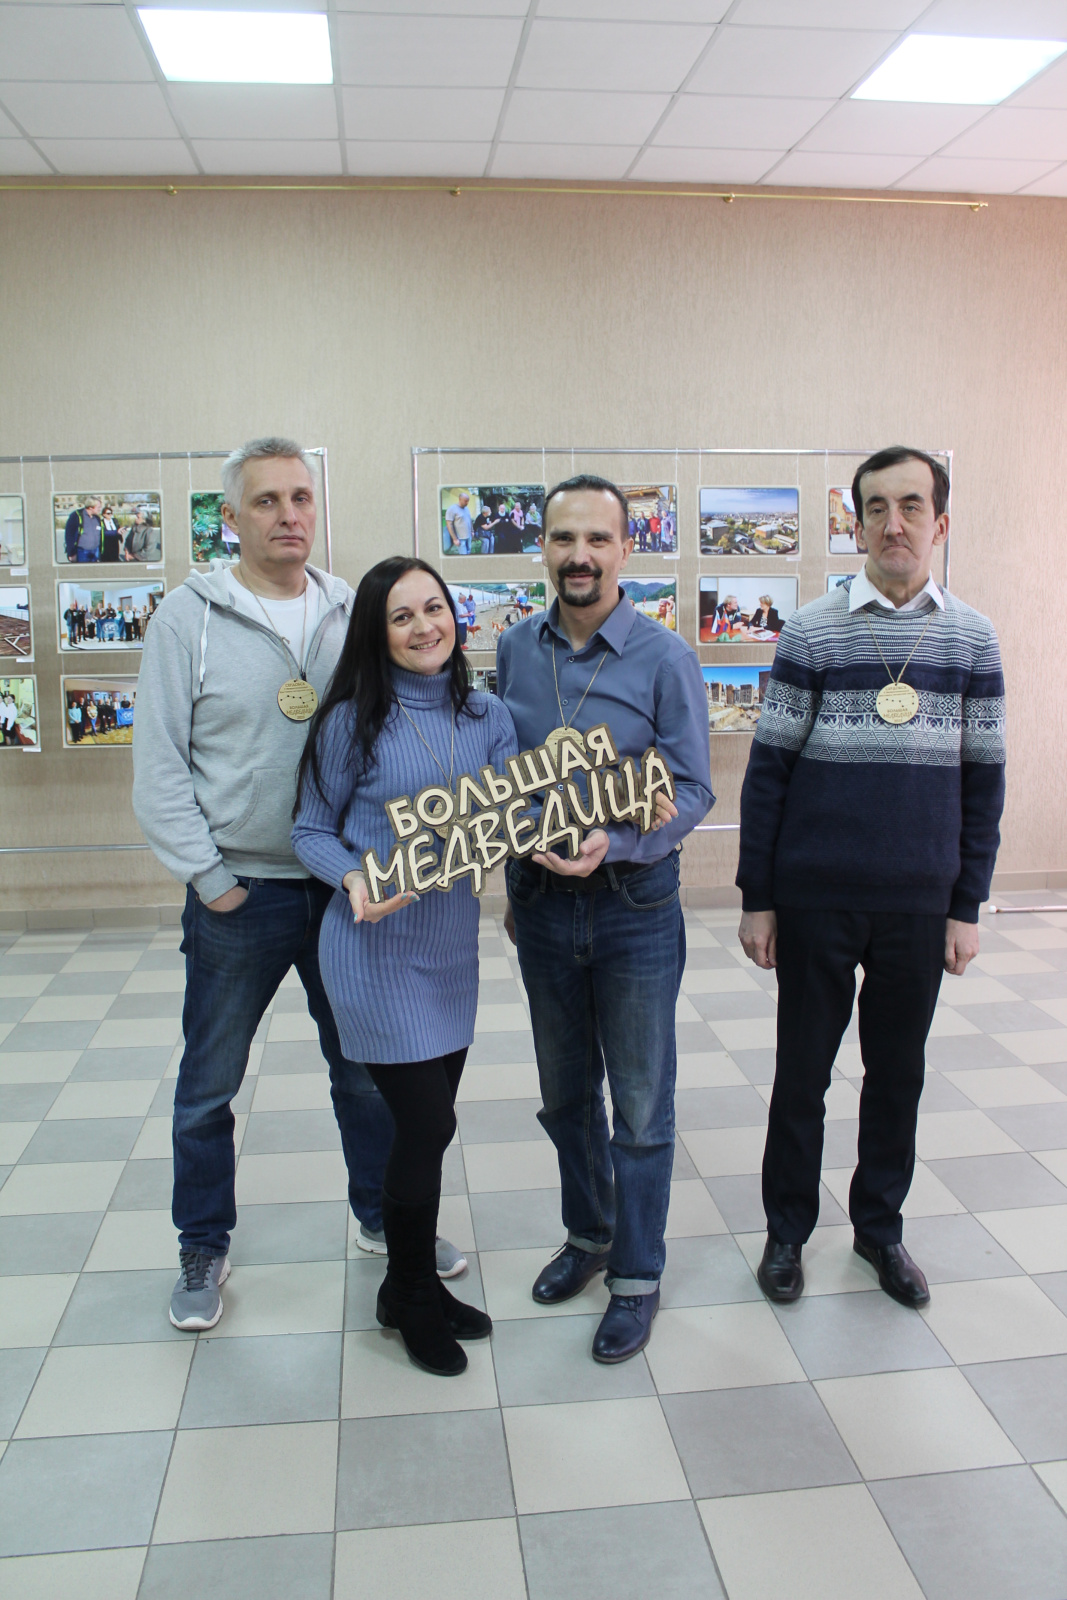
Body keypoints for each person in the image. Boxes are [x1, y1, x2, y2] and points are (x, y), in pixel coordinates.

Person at [133, 436, 465, 1333]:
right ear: (231, 517)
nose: (289, 516)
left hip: (346, 889)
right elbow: (158, 765)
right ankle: (202, 1242)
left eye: (301, 498)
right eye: (267, 501)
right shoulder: (187, 620)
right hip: (241, 892)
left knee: (364, 1073)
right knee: (209, 1084)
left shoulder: (350, 607)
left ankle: (381, 1216)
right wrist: (210, 879)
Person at [737, 447, 1006, 1310]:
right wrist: (757, 898)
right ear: (854, 525)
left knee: (896, 1077)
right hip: (815, 896)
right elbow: (768, 773)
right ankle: (786, 1231)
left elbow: (983, 781)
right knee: (801, 1076)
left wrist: (965, 905)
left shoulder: (970, 639)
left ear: (940, 522)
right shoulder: (812, 631)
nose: (895, 524)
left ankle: (878, 1230)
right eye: (877, 508)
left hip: (917, 904)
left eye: (911, 506)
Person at [498, 474, 714, 1363]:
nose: (579, 555)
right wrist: (514, 879)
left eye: (596, 539)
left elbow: (693, 789)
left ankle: (635, 1275)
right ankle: (588, 1236)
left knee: (640, 1105)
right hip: (542, 905)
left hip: (633, 906)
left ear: (626, 549)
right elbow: (501, 776)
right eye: (562, 539)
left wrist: (616, 843)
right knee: (563, 1097)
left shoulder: (664, 658)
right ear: (542, 549)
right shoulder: (514, 649)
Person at [292, 556, 518, 1376]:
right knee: (426, 1126)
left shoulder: (487, 713)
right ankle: (414, 1294)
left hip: (449, 948)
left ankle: (404, 1287)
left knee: (431, 1123)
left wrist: (593, 810)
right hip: (372, 952)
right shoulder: (350, 720)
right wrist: (353, 877)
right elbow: (309, 830)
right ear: (376, 633)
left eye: (435, 608)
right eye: (401, 616)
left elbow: (515, 807)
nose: (425, 627)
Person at [64, 497, 103, 562]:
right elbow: (69, 535)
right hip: (82, 551)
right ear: (90, 507)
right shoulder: (76, 516)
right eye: (98, 507)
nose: (100, 509)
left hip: (95, 551)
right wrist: (71, 553)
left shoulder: (97, 518)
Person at [444, 490, 473, 555]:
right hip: (460, 539)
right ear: (460, 499)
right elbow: (449, 524)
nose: (467, 503)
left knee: (469, 553)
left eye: (468, 501)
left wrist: (472, 530)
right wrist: (455, 539)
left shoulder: (466, 508)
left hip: (468, 536)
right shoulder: (452, 509)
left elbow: (469, 520)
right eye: (465, 501)